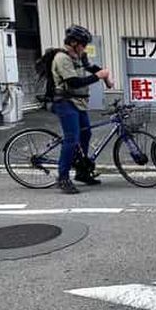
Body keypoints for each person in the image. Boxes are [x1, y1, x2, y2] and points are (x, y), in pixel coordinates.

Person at [51, 24, 113, 194]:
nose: (84, 48)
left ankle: (82, 172)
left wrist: (105, 76)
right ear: (73, 43)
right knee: (72, 138)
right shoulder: (62, 58)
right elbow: (73, 82)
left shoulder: (79, 56)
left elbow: (92, 68)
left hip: (79, 102)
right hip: (65, 102)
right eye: (83, 44)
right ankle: (63, 178)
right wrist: (97, 77)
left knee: (86, 134)